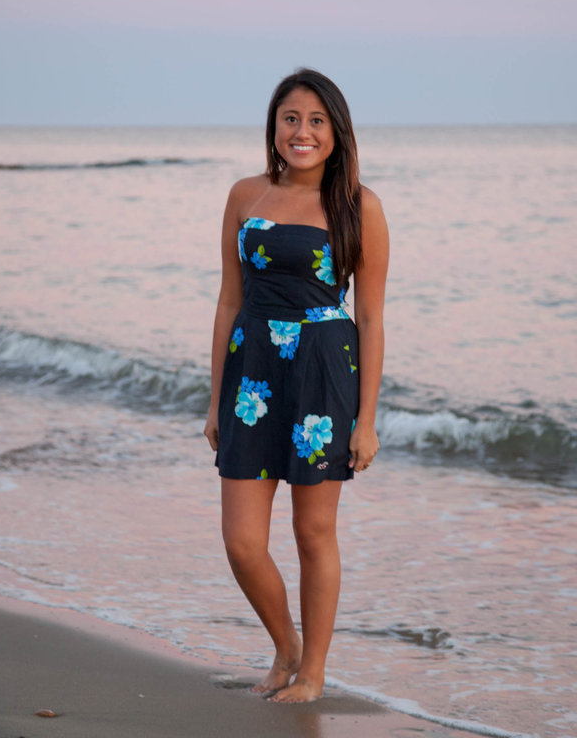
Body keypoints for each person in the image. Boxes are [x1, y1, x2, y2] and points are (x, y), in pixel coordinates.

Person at [203, 68, 389, 703]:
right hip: (252, 371)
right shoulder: (243, 195)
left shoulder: (360, 206)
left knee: (314, 534)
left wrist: (366, 420)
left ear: (336, 133)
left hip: (322, 374)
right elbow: (228, 302)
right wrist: (215, 400)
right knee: (242, 541)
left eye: (315, 121)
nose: (301, 132)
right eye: (290, 119)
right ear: (273, 127)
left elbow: (369, 317)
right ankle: (286, 646)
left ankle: (313, 673)